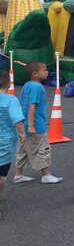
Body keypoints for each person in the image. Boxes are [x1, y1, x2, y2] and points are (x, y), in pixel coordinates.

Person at [13, 61, 63, 184]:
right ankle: (46, 175)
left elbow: (22, 103)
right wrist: (31, 126)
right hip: (35, 125)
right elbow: (31, 106)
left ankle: (18, 175)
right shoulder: (37, 87)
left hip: (23, 124)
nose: (47, 72)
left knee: (23, 150)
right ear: (35, 73)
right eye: (44, 70)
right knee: (42, 148)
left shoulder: (27, 85)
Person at [0, 71, 27, 217]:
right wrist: (22, 133)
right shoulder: (11, 100)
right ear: (9, 83)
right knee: (1, 176)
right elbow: (17, 119)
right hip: (4, 145)